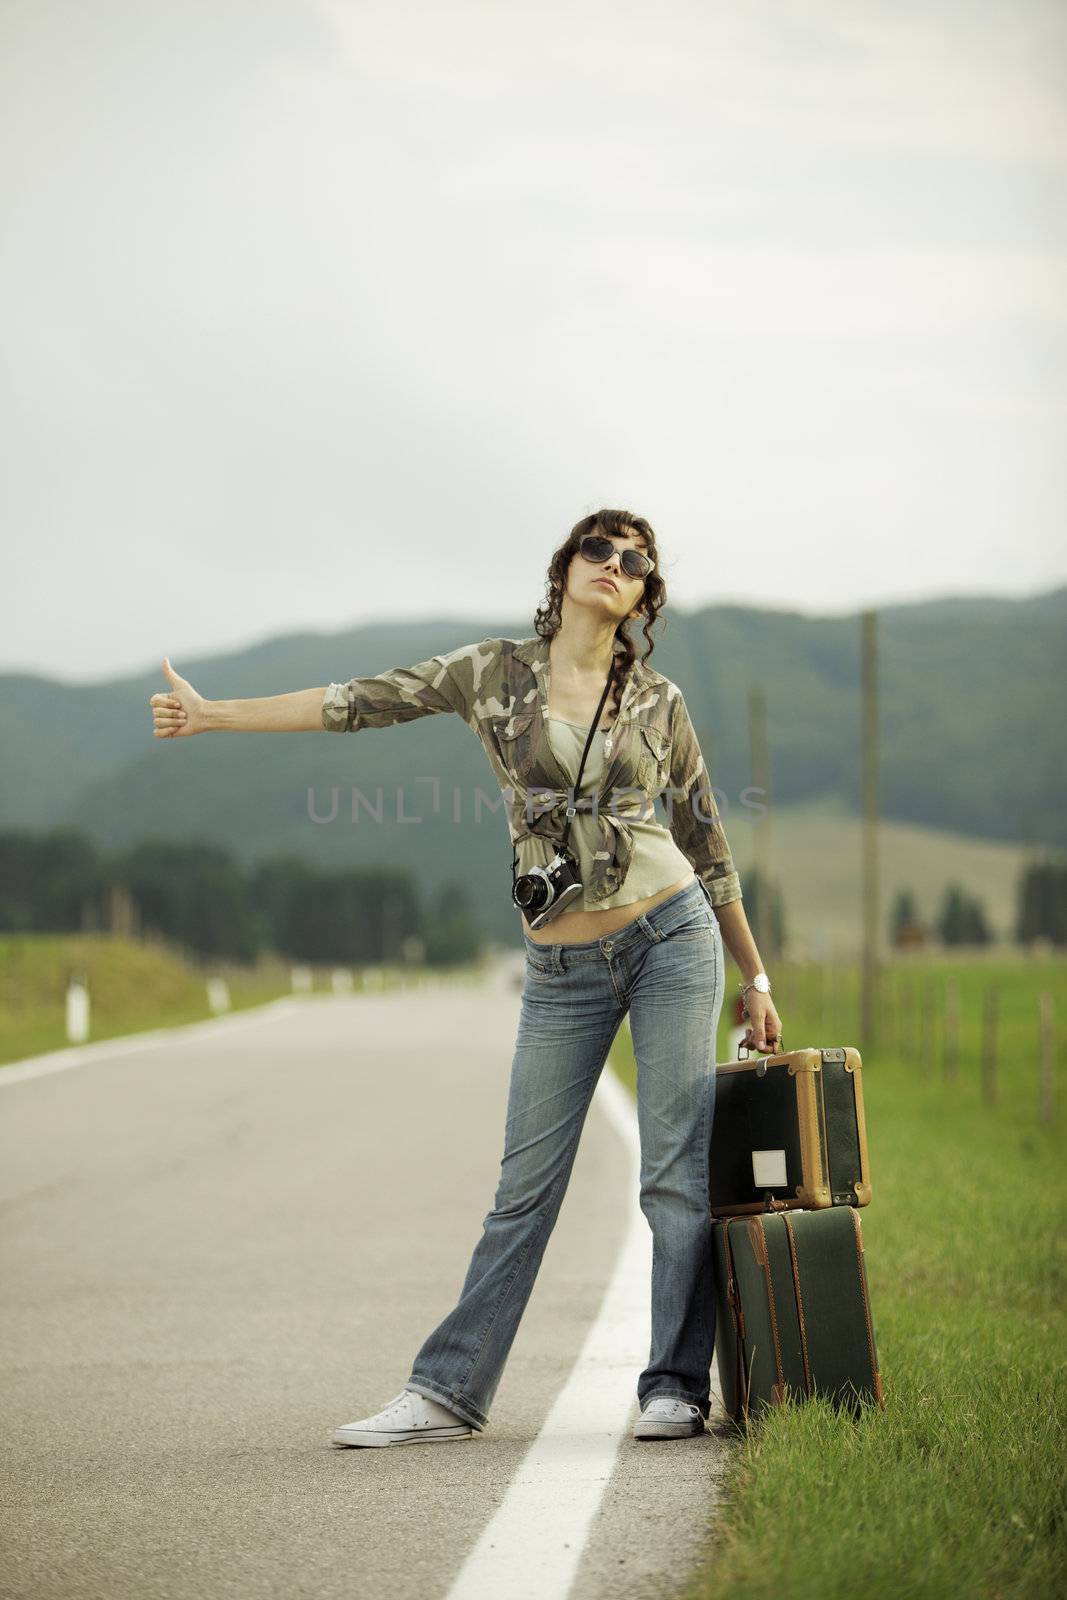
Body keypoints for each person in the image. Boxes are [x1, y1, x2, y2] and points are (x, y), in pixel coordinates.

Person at [149, 508, 783, 1446]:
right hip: (561, 963)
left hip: (669, 935)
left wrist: (756, 975)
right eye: (598, 550)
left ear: (645, 595)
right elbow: (357, 699)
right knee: (523, 1188)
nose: (615, 565)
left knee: (672, 1176)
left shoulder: (659, 701)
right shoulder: (491, 672)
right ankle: (447, 1392)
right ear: (565, 567)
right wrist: (212, 715)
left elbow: (707, 841)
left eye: (636, 563)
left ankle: (675, 1386)